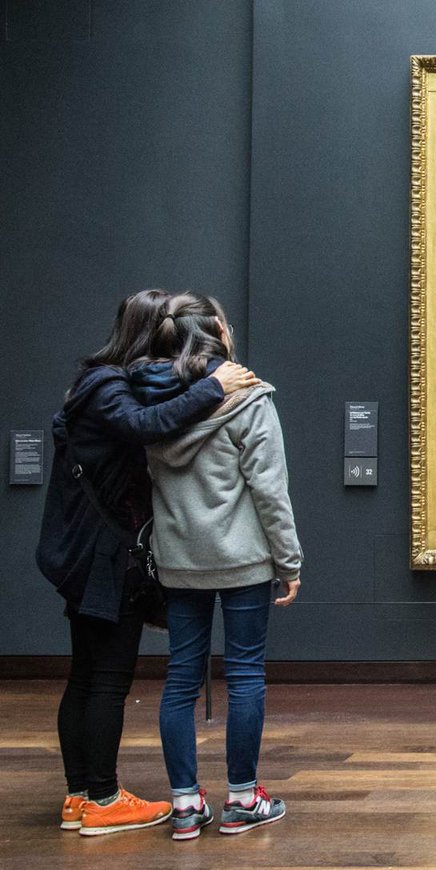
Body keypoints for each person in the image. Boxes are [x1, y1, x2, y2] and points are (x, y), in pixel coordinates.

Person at [35, 290, 258, 836]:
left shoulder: (91, 384)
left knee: (85, 674)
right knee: (109, 680)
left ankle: (79, 797)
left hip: (82, 551)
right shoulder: (108, 387)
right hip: (105, 559)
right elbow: (145, 425)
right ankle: (104, 799)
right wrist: (214, 386)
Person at [131, 293, 302, 841]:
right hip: (243, 560)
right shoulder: (248, 396)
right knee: (245, 672)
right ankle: (243, 800)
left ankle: (185, 806)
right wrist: (289, 560)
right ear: (218, 335)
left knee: (182, 676)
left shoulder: (147, 403)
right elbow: (270, 490)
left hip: (180, 559)